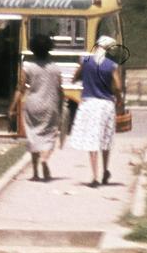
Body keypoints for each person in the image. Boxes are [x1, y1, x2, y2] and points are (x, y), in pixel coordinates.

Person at [70, 34, 124, 188]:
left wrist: (82, 79)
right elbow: (118, 86)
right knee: (105, 139)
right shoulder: (112, 65)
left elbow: (75, 77)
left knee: (92, 140)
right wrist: (119, 99)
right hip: (106, 105)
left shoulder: (85, 60)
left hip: (89, 104)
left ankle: (94, 177)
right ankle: (105, 170)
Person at [13, 33, 64, 181]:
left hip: (32, 105)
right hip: (50, 105)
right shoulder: (55, 68)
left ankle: (35, 173)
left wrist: (12, 107)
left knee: (33, 137)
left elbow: (20, 88)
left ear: (33, 49)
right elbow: (60, 90)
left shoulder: (28, 67)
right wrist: (61, 107)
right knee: (49, 136)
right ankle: (45, 159)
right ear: (49, 48)